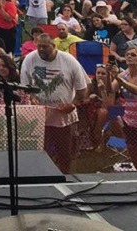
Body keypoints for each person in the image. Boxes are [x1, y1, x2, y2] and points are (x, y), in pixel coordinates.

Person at [20, 34, 89, 173]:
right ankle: (41, 178)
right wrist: (32, 97)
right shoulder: (30, 59)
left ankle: (64, 177)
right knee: (40, 152)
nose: (40, 50)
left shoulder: (68, 60)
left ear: (54, 46)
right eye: (38, 46)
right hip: (39, 116)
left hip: (63, 117)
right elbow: (24, 87)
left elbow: (83, 89)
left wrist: (73, 103)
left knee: (65, 154)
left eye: (45, 47)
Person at [109, 48, 137, 171]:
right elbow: (110, 90)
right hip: (128, 121)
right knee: (133, 155)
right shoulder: (122, 75)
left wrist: (119, 79)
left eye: (133, 55)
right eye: (127, 54)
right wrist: (110, 76)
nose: (129, 56)